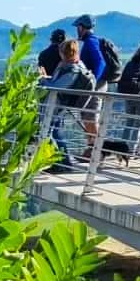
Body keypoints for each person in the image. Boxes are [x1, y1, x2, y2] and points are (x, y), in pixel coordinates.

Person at [41, 38, 96, 170]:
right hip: (60, 105)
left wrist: (43, 79)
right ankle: (60, 162)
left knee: (50, 133)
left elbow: (56, 87)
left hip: (57, 106)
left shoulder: (72, 70)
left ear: (62, 53)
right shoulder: (75, 66)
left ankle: (62, 163)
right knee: (54, 132)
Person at [73, 15, 106, 144]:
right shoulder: (92, 41)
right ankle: (92, 148)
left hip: (95, 85)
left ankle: (95, 150)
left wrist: (93, 80)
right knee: (88, 116)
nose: (77, 30)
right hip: (96, 84)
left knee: (90, 116)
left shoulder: (91, 41)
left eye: (78, 27)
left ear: (82, 27)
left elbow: (100, 62)